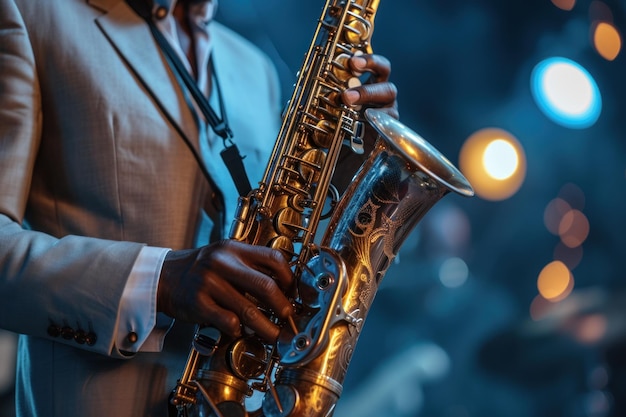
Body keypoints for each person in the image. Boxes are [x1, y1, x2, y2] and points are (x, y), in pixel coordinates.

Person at [0, 0, 398, 416]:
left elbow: (287, 236)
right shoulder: (30, 15)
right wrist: (159, 282)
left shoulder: (255, 69)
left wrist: (359, 173)